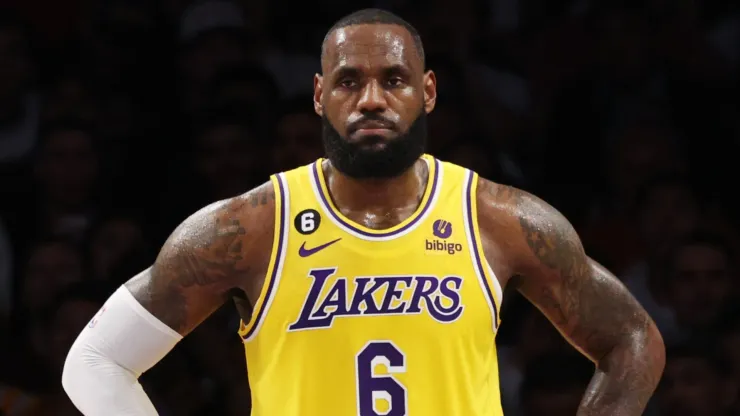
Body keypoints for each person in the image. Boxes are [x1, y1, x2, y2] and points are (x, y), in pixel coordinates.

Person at [61, 8, 665, 416]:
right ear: (320, 95)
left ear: (427, 92)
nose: (371, 99)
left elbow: (633, 339)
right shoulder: (250, 228)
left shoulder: (498, 220)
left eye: (394, 80)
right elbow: (94, 360)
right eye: (349, 81)